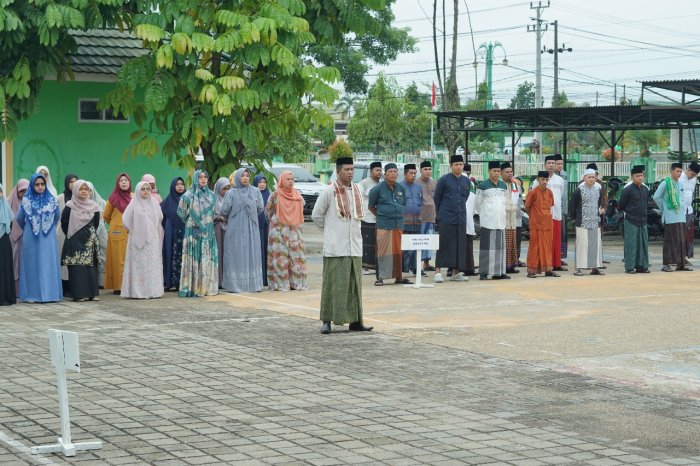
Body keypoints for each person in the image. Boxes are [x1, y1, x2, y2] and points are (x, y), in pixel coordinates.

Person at [312, 157, 372, 335]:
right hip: (335, 247)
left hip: (355, 246)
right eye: (347, 169)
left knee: (354, 286)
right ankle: (327, 321)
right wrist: (330, 230)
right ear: (338, 171)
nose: (350, 172)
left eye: (352, 169)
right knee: (332, 285)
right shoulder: (329, 191)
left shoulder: (358, 189)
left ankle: (356, 322)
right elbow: (316, 215)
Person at [16, 173, 63, 302]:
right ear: (32, 185)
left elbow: (57, 216)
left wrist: (46, 225)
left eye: (42, 184)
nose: (40, 187)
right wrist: (30, 227)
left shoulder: (52, 200)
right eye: (37, 184)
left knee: (48, 263)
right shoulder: (26, 201)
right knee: (31, 265)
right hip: (31, 236)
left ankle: (50, 294)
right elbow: (19, 218)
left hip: (48, 236)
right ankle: (32, 295)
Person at [219, 168, 264, 293]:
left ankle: (253, 284)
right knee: (235, 253)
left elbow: (260, 208)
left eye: (247, 175)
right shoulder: (231, 193)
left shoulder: (255, 191)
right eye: (242, 175)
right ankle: (235, 284)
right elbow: (224, 210)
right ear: (237, 178)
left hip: (251, 228)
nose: (245, 178)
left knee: (251, 252)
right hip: (235, 228)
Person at [177, 169, 219, 297]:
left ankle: (205, 287)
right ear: (196, 179)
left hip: (208, 231)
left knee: (206, 256)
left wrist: (205, 221)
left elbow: (215, 212)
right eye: (200, 177)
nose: (203, 179)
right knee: (194, 256)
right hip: (192, 231)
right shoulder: (188, 195)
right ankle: (192, 288)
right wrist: (193, 221)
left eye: (205, 177)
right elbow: (181, 212)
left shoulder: (212, 195)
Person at [368, 163, 411, 286]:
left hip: (398, 224)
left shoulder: (401, 188)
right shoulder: (377, 189)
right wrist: (381, 215)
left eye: (395, 172)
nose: (393, 174)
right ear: (385, 174)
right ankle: (380, 278)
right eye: (390, 172)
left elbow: (403, 204)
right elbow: (371, 206)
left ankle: (399, 277)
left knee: (398, 251)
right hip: (384, 224)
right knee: (383, 251)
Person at [265, 170, 307, 291]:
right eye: (288, 179)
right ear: (281, 180)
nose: (290, 181)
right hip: (279, 231)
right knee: (280, 257)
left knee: (295, 257)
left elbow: (303, 206)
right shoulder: (275, 195)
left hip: (294, 231)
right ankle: (280, 284)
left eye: (292, 179)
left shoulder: (297, 195)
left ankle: (296, 284)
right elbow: (268, 211)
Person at [121, 182, 164, 299]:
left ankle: (153, 291)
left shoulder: (154, 203)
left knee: (151, 265)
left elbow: (160, 217)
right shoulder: (134, 203)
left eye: (148, 189)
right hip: (136, 241)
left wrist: (150, 227)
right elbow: (125, 220)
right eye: (143, 189)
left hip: (152, 241)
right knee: (138, 266)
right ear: (138, 190)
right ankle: (137, 292)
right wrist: (134, 229)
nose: (145, 191)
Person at [61, 180, 101, 301]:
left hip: (89, 240)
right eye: (81, 189)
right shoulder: (69, 206)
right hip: (74, 240)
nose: (84, 191)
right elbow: (64, 223)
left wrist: (88, 234)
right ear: (75, 190)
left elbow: (96, 223)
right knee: (77, 268)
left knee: (90, 267)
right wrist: (73, 234)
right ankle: (78, 294)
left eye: (86, 189)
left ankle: (92, 294)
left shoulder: (94, 206)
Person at [433, 155, 471, 283]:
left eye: (461, 164)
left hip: (461, 217)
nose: (459, 167)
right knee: (443, 244)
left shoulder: (466, 181)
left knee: (459, 245)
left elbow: (465, 197)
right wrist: (440, 214)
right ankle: (438, 272)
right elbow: (437, 198)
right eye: (456, 164)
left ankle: (456, 273)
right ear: (451, 166)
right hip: (446, 217)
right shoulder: (444, 180)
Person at [654, 162, 690, 272]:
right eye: (677, 171)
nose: (679, 173)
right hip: (670, 217)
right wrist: (664, 209)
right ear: (671, 171)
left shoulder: (680, 184)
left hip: (680, 216)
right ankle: (666, 265)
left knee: (681, 241)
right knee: (669, 241)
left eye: (680, 171)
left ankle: (681, 265)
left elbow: (681, 199)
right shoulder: (665, 183)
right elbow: (656, 197)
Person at [476, 161, 509, 280]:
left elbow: (506, 202)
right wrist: (485, 214)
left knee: (500, 248)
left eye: (498, 171)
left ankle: (499, 272)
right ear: (489, 171)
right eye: (494, 171)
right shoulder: (482, 186)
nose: (496, 173)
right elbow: (478, 205)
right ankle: (484, 273)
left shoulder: (503, 185)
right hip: (488, 221)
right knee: (486, 248)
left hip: (500, 221)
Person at [569, 169, 605, 276]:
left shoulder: (598, 189)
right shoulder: (578, 190)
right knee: (582, 245)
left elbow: (599, 203)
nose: (591, 179)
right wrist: (575, 218)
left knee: (595, 245)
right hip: (582, 222)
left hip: (595, 221)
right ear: (584, 178)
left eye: (593, 177)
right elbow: (572, 206)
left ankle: (595, 268)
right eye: (589, 177)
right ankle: (578, 268)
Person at [525, 171, 558, 278]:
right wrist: (534, 217)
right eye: (542, 179)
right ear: (538, 179)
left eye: (546, 179)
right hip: (536, 225)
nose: (544, 181)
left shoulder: (550, 192)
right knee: (535, 248)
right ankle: (531, 271)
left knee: (547, 248)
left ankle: (548, 270)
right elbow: (527, 207)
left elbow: (551, 206)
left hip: (548, 225)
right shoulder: (533, 192)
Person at [617, 165, 650, 274]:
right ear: (632, 177)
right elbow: (621, 205)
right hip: (631, 220)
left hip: (643, 220)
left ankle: (642, 266)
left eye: (641, 175)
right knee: (631, 244)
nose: (640, 178)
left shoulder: (645, 189)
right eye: (637, 176)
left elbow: (646, 203)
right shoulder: (627, 189)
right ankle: (630, 267)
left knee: (643, 244)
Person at [104, 173, 132, 294]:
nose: (124, 182)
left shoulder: (133, 197)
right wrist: (116, 224)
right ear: (117, 183)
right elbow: (106, 216)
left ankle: (129, 285)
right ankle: (118, 287)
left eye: (126, 180)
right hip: (117, 232)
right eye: (121, 180)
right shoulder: (113, 198)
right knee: (118, 260)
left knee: (129, 259)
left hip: (131, 232)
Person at [161, 177, 186, 291]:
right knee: (169, 253)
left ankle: (182, 282)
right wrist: (168, 227)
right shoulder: (167, 202)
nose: (180, 186)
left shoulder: (187, 199)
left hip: (184, 231)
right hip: (170, 231)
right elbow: (161, 218)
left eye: (182, 184)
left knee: (183, 254)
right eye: (177, 184)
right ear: (172, 186)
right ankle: (169, 281)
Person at [358, 161, 382, 276]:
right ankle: (364, 267)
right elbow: (357, 200)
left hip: (377, 218)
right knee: (366, 243)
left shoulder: (381, 184)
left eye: (380, 170)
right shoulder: (363, 184)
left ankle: (373, 266)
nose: (379, 172)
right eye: (377, 170)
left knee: (374, 243)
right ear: (371, 171)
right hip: (366, 218)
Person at [400, 164, 423, 276]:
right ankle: (404, 268)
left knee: (416, 246)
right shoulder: (399, 187)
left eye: (415, 173)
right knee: (405, 246)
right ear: (405, 174)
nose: (413, 175)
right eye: (411, 173)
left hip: (417, 221)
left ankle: (416, 268)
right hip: (404, 222)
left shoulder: (418, 187)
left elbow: (421, 202)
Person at [57, 173, 78, 296]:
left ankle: (73, 286)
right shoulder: (60, 198)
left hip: (75, 232)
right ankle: (63, 286)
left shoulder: (80, 197)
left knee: (73, 258)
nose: (73, 184)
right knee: (62, 258)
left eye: (75, 181)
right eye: (71, 182)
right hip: (61, 231)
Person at [85, 181, 108, 288]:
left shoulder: (101, 202)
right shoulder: (80, 204)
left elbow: (105, 217)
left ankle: (102, 282)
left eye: (90, 190)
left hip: (101, 232)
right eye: (86, 190)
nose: (88, 193)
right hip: (87, 233)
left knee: (103, 255)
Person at [501, 162, 523, 274]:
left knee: (512, 243)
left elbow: (519, 202)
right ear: (501, 173)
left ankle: (511, 266)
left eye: (511, 172)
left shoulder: (515, 186)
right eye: (507, 172)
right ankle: (503, 266)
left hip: (513, 218)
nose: (510, 174)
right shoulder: (499, 185)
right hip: (503, 218)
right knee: (504, 244)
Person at [416, 161, 437, 272]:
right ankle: (417, 266)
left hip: (431, 216)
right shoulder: (416, 183)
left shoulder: (434, 183)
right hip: (420, 217)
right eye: (425, 169)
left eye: (429, 169)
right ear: (420, 171)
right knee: (420, 240)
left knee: (429, 240)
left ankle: (426, 264)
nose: (428, 171)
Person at [8, 179, 29, 295]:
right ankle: (14, 290)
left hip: (27, 237)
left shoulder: (30, 202)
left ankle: (23, 290)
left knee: (24, 263)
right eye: (21, 191)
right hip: (13, 238)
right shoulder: (9, 201)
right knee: (14, 261)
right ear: (17, 190)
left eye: (26, 190)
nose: (24, 193)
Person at [679, 161, 700, 262]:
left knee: (688, 235)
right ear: (688, 169)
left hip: (689, 210)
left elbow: (690, 193)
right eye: (692, 174)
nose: (693, 176)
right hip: (679, 211)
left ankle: (684, 257)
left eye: (695, 175)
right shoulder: (679, 178)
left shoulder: (694, 179)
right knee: (679, 235)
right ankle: (677, 257)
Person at [213, 177, 231, 288]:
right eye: (224, 188)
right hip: (217, 229)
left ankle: (228, 280)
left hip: (229, 228)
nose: (227, 191)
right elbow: (209, 214)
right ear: (219, 188)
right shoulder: (213, 199)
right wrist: (218, 217)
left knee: (228, 253)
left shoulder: (231, 199)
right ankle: (219, 281)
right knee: (218, 253)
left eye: (228, 188)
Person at [0, 184, 16, 306]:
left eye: (0, 191)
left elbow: (9, 224)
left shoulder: (5, 207)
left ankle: (4, 296)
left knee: (4, 268)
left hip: (3, 241)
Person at [254, 175, 270, 286]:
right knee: (258, 252)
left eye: (264, 182)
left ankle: (266, 279)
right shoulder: (252, 195)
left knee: (266, 252)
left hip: (267, 228)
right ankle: (259, 278)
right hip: (255, 227)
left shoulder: (269, 195)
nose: (262, 184)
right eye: (260, 182)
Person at [554, 154, 569, 263]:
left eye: (561, 164)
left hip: (563, 209)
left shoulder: (564, 175)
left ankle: (560, 257)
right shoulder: (550, 176)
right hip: (554, 209)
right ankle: (554, 257)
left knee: (562, 235)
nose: (560, 166)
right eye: (557, 164)